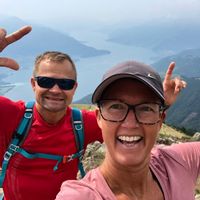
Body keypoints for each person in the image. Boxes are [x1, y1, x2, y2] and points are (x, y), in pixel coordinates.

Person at [0, 26, 186, 200]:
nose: (55, 90)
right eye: (46, 82)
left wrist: (158, 103)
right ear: (33, 84)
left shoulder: (81, 124)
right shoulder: (11, 114)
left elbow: (129, 126)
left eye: (65, 84)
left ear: (74, 88)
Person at [55, 60, 198, 200]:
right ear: (99, 117)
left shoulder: (177, 162)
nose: (130, 124)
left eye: (145, 108)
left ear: (160, 120)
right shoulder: (80, 196)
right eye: (116, 107)